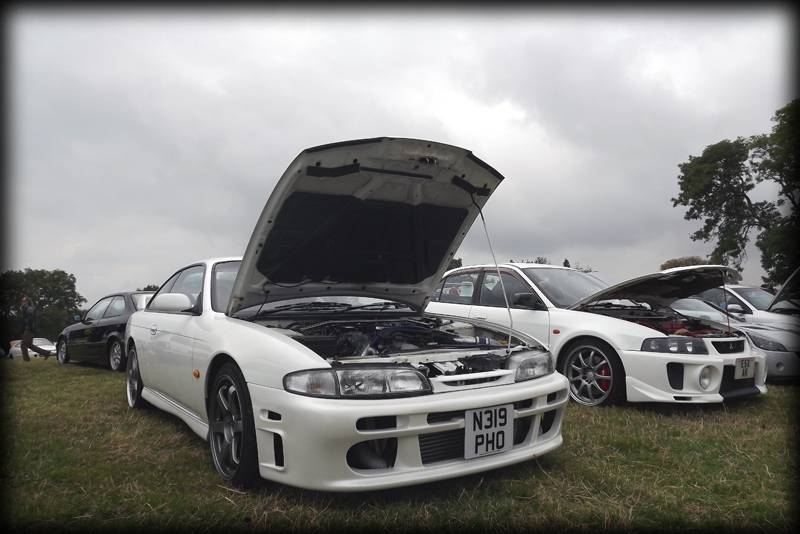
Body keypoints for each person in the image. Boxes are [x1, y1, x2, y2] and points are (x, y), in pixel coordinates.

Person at [19, 296, 52, 361]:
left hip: (29, 328)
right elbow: (24, 320)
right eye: (22, 301)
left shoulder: (29, 308)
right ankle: (46, 353)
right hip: (28, 328)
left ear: (27, 302)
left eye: (23, 301)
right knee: (29, 345)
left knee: (23, 344)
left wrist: (29, 328)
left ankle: (26, 360)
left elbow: (30, 319)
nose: (22, 302)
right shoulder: (25, 309)